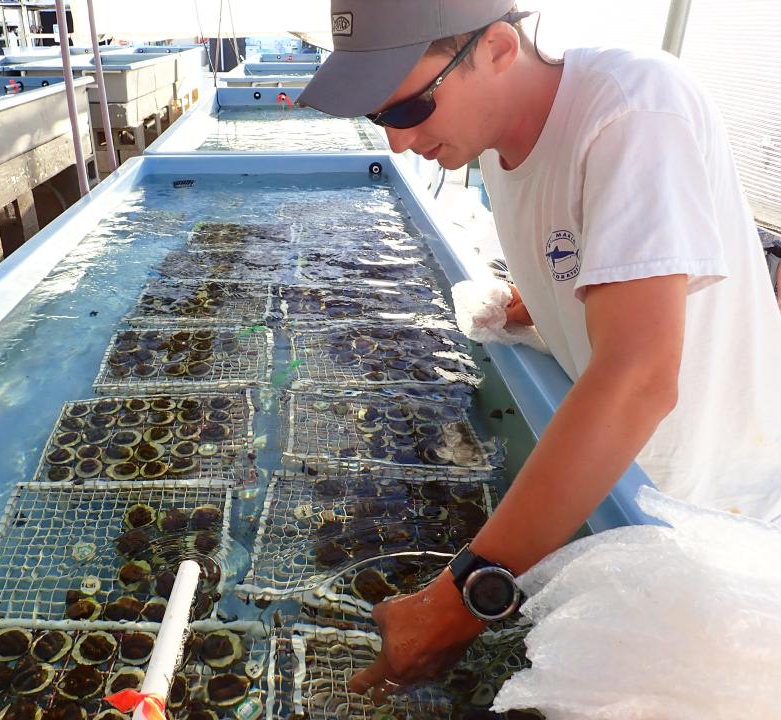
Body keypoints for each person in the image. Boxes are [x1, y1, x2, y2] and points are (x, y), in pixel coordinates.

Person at [297, 0, 781, 701]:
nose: (398, 143)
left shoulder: (634, 108)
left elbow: (640, 376)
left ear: (496, 46)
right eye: (379, 116)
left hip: (714, 517)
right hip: (624, 489)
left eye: (408, 111)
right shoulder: (494, 147)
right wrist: (546, 308)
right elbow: (598, 272)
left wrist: (458, 600)